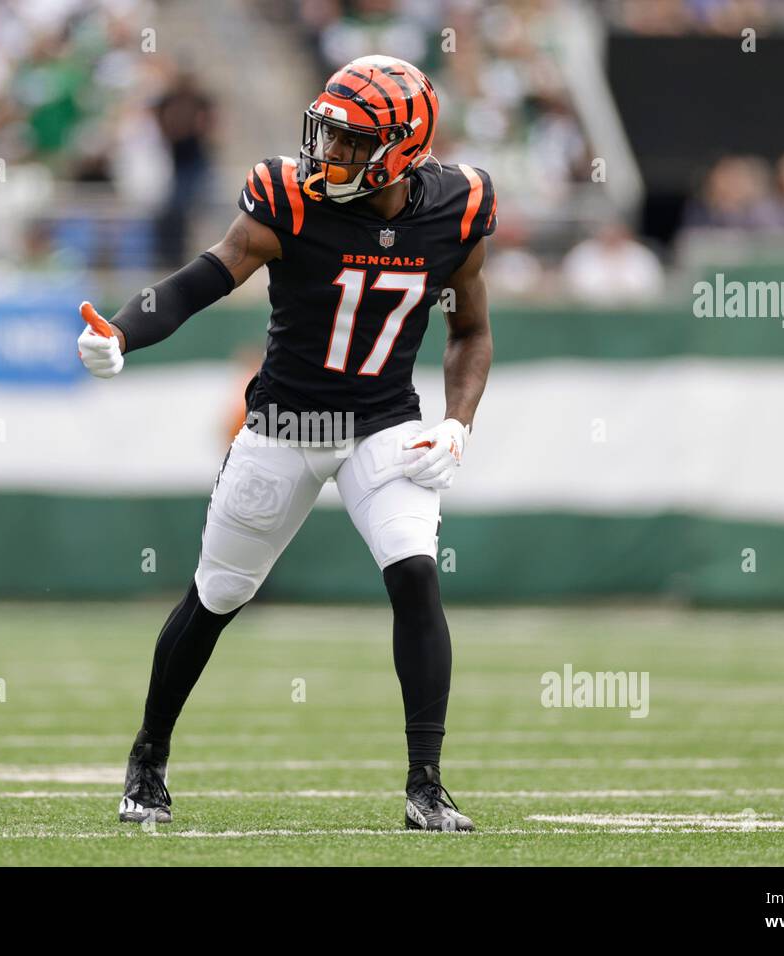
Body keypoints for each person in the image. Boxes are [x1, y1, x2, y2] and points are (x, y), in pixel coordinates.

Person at [77, 55, 496, 831]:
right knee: (218, 594)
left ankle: (426, 783)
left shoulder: (458, 209)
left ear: (399, 151)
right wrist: (125, 333)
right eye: (325, 136)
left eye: (347, 144)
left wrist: (456, 422)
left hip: (384, 424)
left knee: (414, 573)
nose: (324, 156)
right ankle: (149, 758)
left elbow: (469, 330)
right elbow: (209, 275)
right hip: (287, 426)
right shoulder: (288, 200)